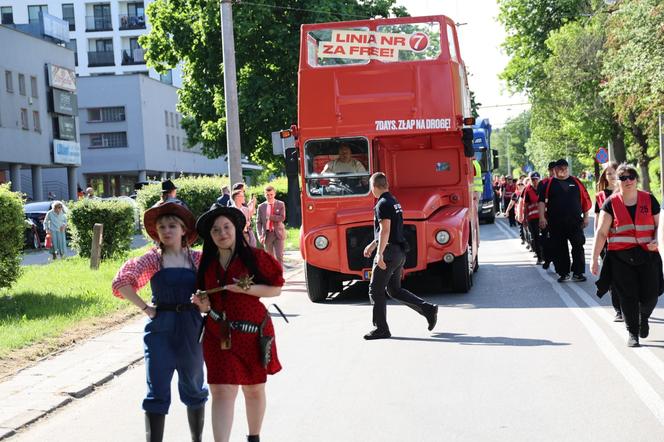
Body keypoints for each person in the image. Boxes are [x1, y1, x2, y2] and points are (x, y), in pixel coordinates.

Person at [111, 200, 208, 442]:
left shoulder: (198, 260)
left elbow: (216, 290)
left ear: (184, 230)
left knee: (194, 388)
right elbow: (121, 283)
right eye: (162, 226)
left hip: (191, 328)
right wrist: (145, 308)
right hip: (160, 330)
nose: (166, 231)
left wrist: (205, 304)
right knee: (156, 390)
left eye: (172, 226)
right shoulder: (152, 260)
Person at [191, 204, 284, 442]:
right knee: (221, 390)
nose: (222, 233)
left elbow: (276, 289)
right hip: (216, 333)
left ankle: (254, 437)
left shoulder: (255, 257)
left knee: (253, 389)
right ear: (210, 236)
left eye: (226, 227)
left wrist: (247, 289)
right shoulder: (206, 264)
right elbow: (205, 300)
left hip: (253, 335)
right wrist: (203, 305)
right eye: (215, 230)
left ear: (236, 228)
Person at [591, 164, 661, 347]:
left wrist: (657, 241)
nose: (628, 181)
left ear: (636, 179)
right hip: (620, 258)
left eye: (631, 177)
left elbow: (659, 227)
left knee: (651, 295)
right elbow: (601, 232)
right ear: (617, 181)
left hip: (648, 255)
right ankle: (633, 333)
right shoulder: (610, 203)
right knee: (627, 297)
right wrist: (594, 259)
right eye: (623, 178)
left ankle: (643, 316)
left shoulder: (649, 199)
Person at [362, 172, 438, 340]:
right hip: (398, 252)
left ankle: (381, 329)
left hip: (388, 253)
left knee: (375, 290)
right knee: (394, 290)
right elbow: (390, 230)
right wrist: (373, 244)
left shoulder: (381, 204)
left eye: (370, 187)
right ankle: (428, 309)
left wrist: (379, 255)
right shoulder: (394, 201)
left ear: (374, 187)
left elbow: (385, 230)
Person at [538, 159, 591, 282]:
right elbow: (541, 202)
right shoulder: (549, 184)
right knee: (560, 248)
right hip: (555, 223)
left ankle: (578, 273)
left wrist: (587, 217)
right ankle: (564, 273)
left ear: (568, 168)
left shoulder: (576, 182)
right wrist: (541, 217)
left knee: (578, 245)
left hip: (575, 222)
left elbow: (585, 200)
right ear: (554, 170)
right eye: (559, 168)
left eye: (564, 168)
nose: (562, 170)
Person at [595, 161, 622, 321]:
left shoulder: (628, 192)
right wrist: (597, 247)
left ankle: (631, 304)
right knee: (612, 276)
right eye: (609, 174)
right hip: (607, 242)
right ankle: (618, 309)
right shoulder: (600, 196)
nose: (612, 176)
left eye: (615, 172)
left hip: (627, 240)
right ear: (605, 177)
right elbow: (598, 223)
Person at [256, 185, 286, 264]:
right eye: (267, 195)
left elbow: (282, 217)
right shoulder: (261, 207)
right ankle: (272, 275)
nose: (269, 196)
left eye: (271, 194)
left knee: (279, 256)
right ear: (264, 195)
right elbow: (258, 222)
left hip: (278, 234)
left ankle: (280, 275)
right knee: (269, 258)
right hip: (267, 234)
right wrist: (260, 235)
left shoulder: (280, 204)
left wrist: (270, 217)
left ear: (274, 194)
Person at [524, 172, 543, 264]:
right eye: (533, 179)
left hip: (543, 217)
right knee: (535, 237)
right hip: (532, 218)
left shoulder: (543, 188)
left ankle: (546, 256)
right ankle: (539, 257)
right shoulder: (528, 190)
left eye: (536, 179)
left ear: (539, 179)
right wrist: (525, 219)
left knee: (545, 236)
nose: (535, 181)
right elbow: (525, 206)